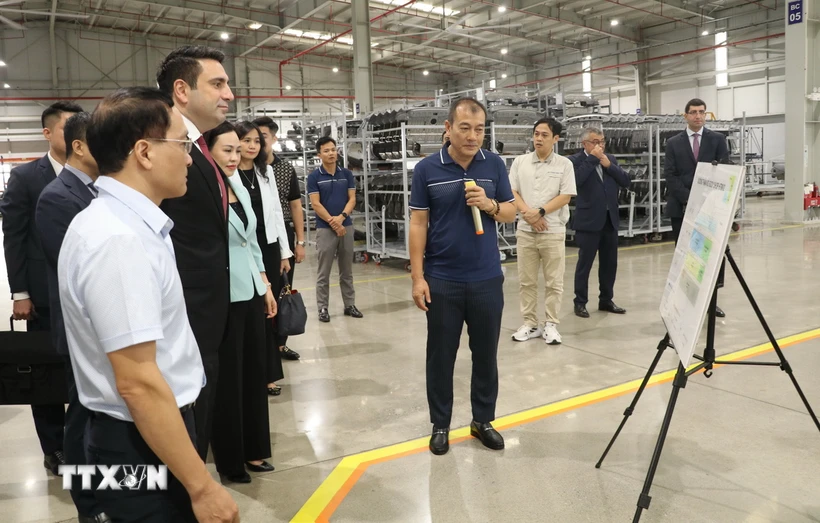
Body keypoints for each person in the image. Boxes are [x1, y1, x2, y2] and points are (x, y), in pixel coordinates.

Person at [58, 86, 239, 522]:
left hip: (141, 433)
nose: (190, 159)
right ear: (144, 152)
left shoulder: (122, 224)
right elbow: (137, 383)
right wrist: (202, 487)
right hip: (136, 443)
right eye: (182, 145)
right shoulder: (119, 240)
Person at [408, 97, 516, 456]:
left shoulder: (494, 164)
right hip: (442, 279)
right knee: (441, 356)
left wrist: (490, 204)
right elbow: (418, 223)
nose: (473, 136)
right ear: (448, 127)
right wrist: (418, 277)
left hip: (486, 278)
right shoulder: (427, 169)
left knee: (485, 355)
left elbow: (510, 211)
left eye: (479, 129)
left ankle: (482, 420)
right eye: (465, 128)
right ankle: (440, 424)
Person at [156, 45, 235, 460]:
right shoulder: (166, 146)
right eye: (217, 84)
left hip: (207, 310)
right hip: (184, 311)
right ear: (182, 90)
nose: (229, 94)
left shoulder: (199, 147)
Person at [0, 100, 81, 476]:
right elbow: (14, 236)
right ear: (48, 133)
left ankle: (83, 440)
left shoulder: (96, 173)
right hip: (43, 293)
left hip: (85, 291)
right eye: (67, 127)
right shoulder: (26, 177)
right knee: (45, 370)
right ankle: (55, 447)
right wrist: (20, 293)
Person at [34, 112, 107, 523]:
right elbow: (77, 269)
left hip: (104, 328)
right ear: (78, 146)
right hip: (83, 330)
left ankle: (110, 494)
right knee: (81, 418)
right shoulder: (57, 198)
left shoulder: (100, 190)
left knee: (99, 416)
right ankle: (89, 505)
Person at [202, 121, 278, 484]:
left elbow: (252, 241)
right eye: (227, 150)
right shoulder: (206, 192)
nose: (234, 157)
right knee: (229, 380)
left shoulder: (239, 185)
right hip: (224, 297)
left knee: (254, 373)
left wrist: (265, 284)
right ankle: (231, 459)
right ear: (208, 151)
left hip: (251, 291)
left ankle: (255, 448)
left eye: (238, 150)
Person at [234, 120, 293, 396]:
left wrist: (284, 252)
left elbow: (277, 213)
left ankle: (269, 374)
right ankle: (249, 373)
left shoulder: (265, 171)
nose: (252, 146)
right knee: (251, 311)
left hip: (267, 247)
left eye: (256, 141)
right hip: (243, 247)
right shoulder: (228, 172)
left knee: (269, 311)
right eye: (246, 140)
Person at [509, 118, 576, 345]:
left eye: (544, 135)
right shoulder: (520, 162)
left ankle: (550, 324)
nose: (538, 138)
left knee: (554, 282)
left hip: (553, 230)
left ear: (555, 139)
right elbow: (512, 192)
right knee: (526, 281)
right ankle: (530, 323)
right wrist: (529, 214)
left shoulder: (565, 164)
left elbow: (565, 196)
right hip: (526, 230)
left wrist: (540, 212)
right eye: (536, 133)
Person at [665, 98, 729, 317]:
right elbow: (670, 175)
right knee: (684, 256)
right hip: (682, 207)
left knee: (709, 257)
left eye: (702, 112)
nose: (698, 116)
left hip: (710, 208)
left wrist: (707, 198)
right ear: (686, 116)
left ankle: (711, 303)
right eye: (693, 112)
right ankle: (684, 303)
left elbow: (724, 171)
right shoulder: (673, 143)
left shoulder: (717, 140)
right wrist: (689, 198)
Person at [254, 116, 305, 363]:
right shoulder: (245, 167)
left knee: (283, 290)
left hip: (283, 233)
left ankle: (280, 345)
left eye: (262, 136)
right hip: (257, 234)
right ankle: (263, 347)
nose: (257, 142)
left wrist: (300, 242)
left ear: (274, 138)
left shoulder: (284, 169)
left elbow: (295, 205)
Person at [568, 127, 631, 319]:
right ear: (584, 144)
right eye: (595, 142)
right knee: (584, 264)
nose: (600, 146)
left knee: (609, 263)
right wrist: (593, 159)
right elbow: (576, 182)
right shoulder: (574, 161)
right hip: (588, 221)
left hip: (609, 220)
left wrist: (609, 166)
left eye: (602, 141)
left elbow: (626, 181)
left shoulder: (609, 159)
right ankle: (580, 302)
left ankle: (606, 299)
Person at [306, 136, 362, 323]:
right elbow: (315, 204)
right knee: (324, 271)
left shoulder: (346, 174)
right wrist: (333, 222)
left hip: (346, 226)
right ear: (319, 154)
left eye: (333, 149)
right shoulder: (314, 177)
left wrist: (342, 218)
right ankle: (323, 307)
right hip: (325, 229)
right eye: (326, 151)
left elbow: (352, 199)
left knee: (347, 270)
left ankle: (349, 305)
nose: (331, 153)